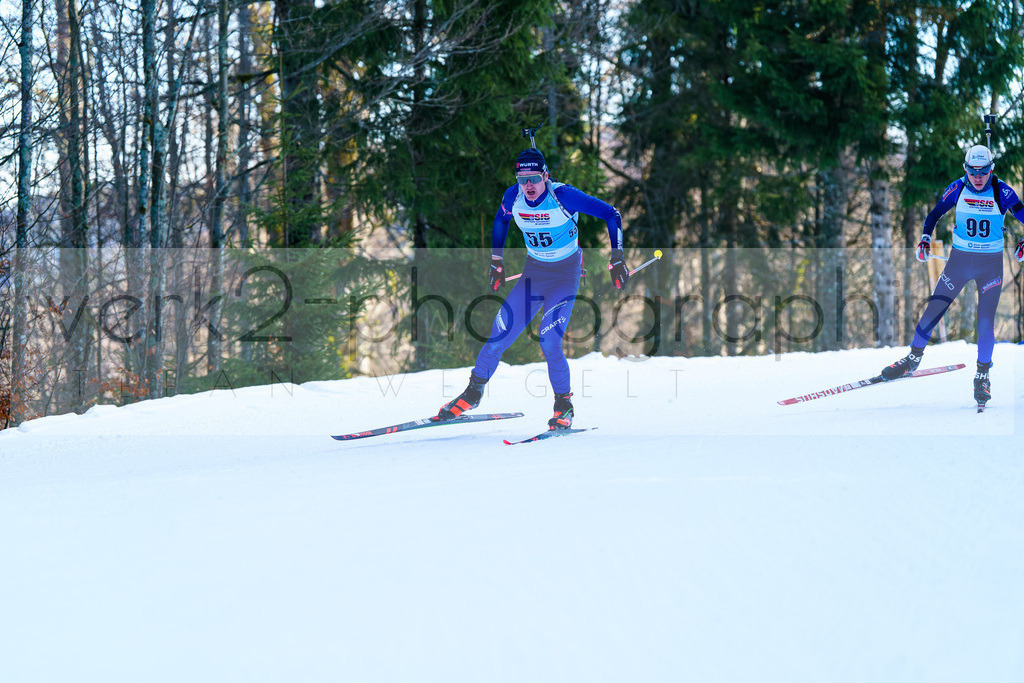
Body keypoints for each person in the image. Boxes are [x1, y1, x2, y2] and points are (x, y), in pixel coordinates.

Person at [437, 148, 628, 428]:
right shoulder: (512, 196)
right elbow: (500, 220)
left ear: (546, 176)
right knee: (498, 335)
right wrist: (496, 262)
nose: (527, 185)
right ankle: (472, 393)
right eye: (521, 178)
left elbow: (612, 215)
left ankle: (564, 405)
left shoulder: (564, 196)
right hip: (534, 274)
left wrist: (617, 257)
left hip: (564, 276)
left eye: (534, 178)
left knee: (549, 342)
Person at [880, 144, 1024, 405]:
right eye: (972, 171)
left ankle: (982, 376)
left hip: (989, 265)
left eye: (983, 171)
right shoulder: (957, 187)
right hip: (958, 262)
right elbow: (934, 214)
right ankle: (912, 360)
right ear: (965, 169)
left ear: (991, 169)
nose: (977, 177)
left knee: (984, 321)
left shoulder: (1002, 191)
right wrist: (925, 238)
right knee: (933, 310)